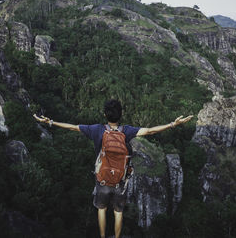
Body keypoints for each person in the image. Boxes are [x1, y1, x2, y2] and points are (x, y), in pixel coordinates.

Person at [33, 99, 193, 238]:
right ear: (121, 115)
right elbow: (150, 131)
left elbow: (73, 127)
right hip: (120, 183)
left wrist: (50, 122)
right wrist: (173, 124)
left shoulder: (97, 130)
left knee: (101, 210)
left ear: (105, 115)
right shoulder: (127, 131)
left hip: (102, 181)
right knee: (118, 213)